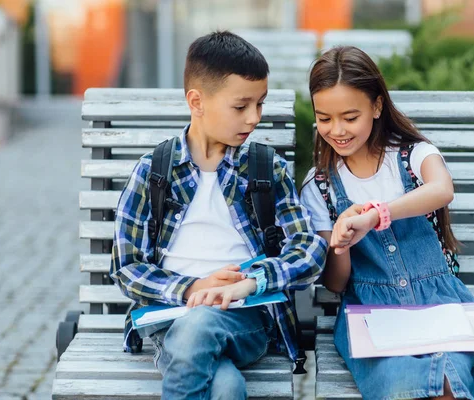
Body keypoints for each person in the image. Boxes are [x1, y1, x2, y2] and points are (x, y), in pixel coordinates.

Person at [110, 31, 327, 400]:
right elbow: (126, 267)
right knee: (226, 387)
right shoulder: (154, 172)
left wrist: (250, 283)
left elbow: (310, 250)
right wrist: (192, 288)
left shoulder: (265, 168)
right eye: (241, 107)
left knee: (199, 328)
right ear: (197, 101)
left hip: (246, 318)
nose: (254, 118)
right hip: (172, 316)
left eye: (260, 104)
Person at [300, 46, 474, 400]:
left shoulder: (411, 154)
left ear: (376, 106)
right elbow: (337, 283)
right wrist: (339, 243)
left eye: (350, 116)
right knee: (403, 384)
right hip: (371, 315)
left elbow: (442, 189)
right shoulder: (319, 186)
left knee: (446, 382)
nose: (337, 130)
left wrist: (377, 214)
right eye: (324, 118)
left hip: (439, 302)